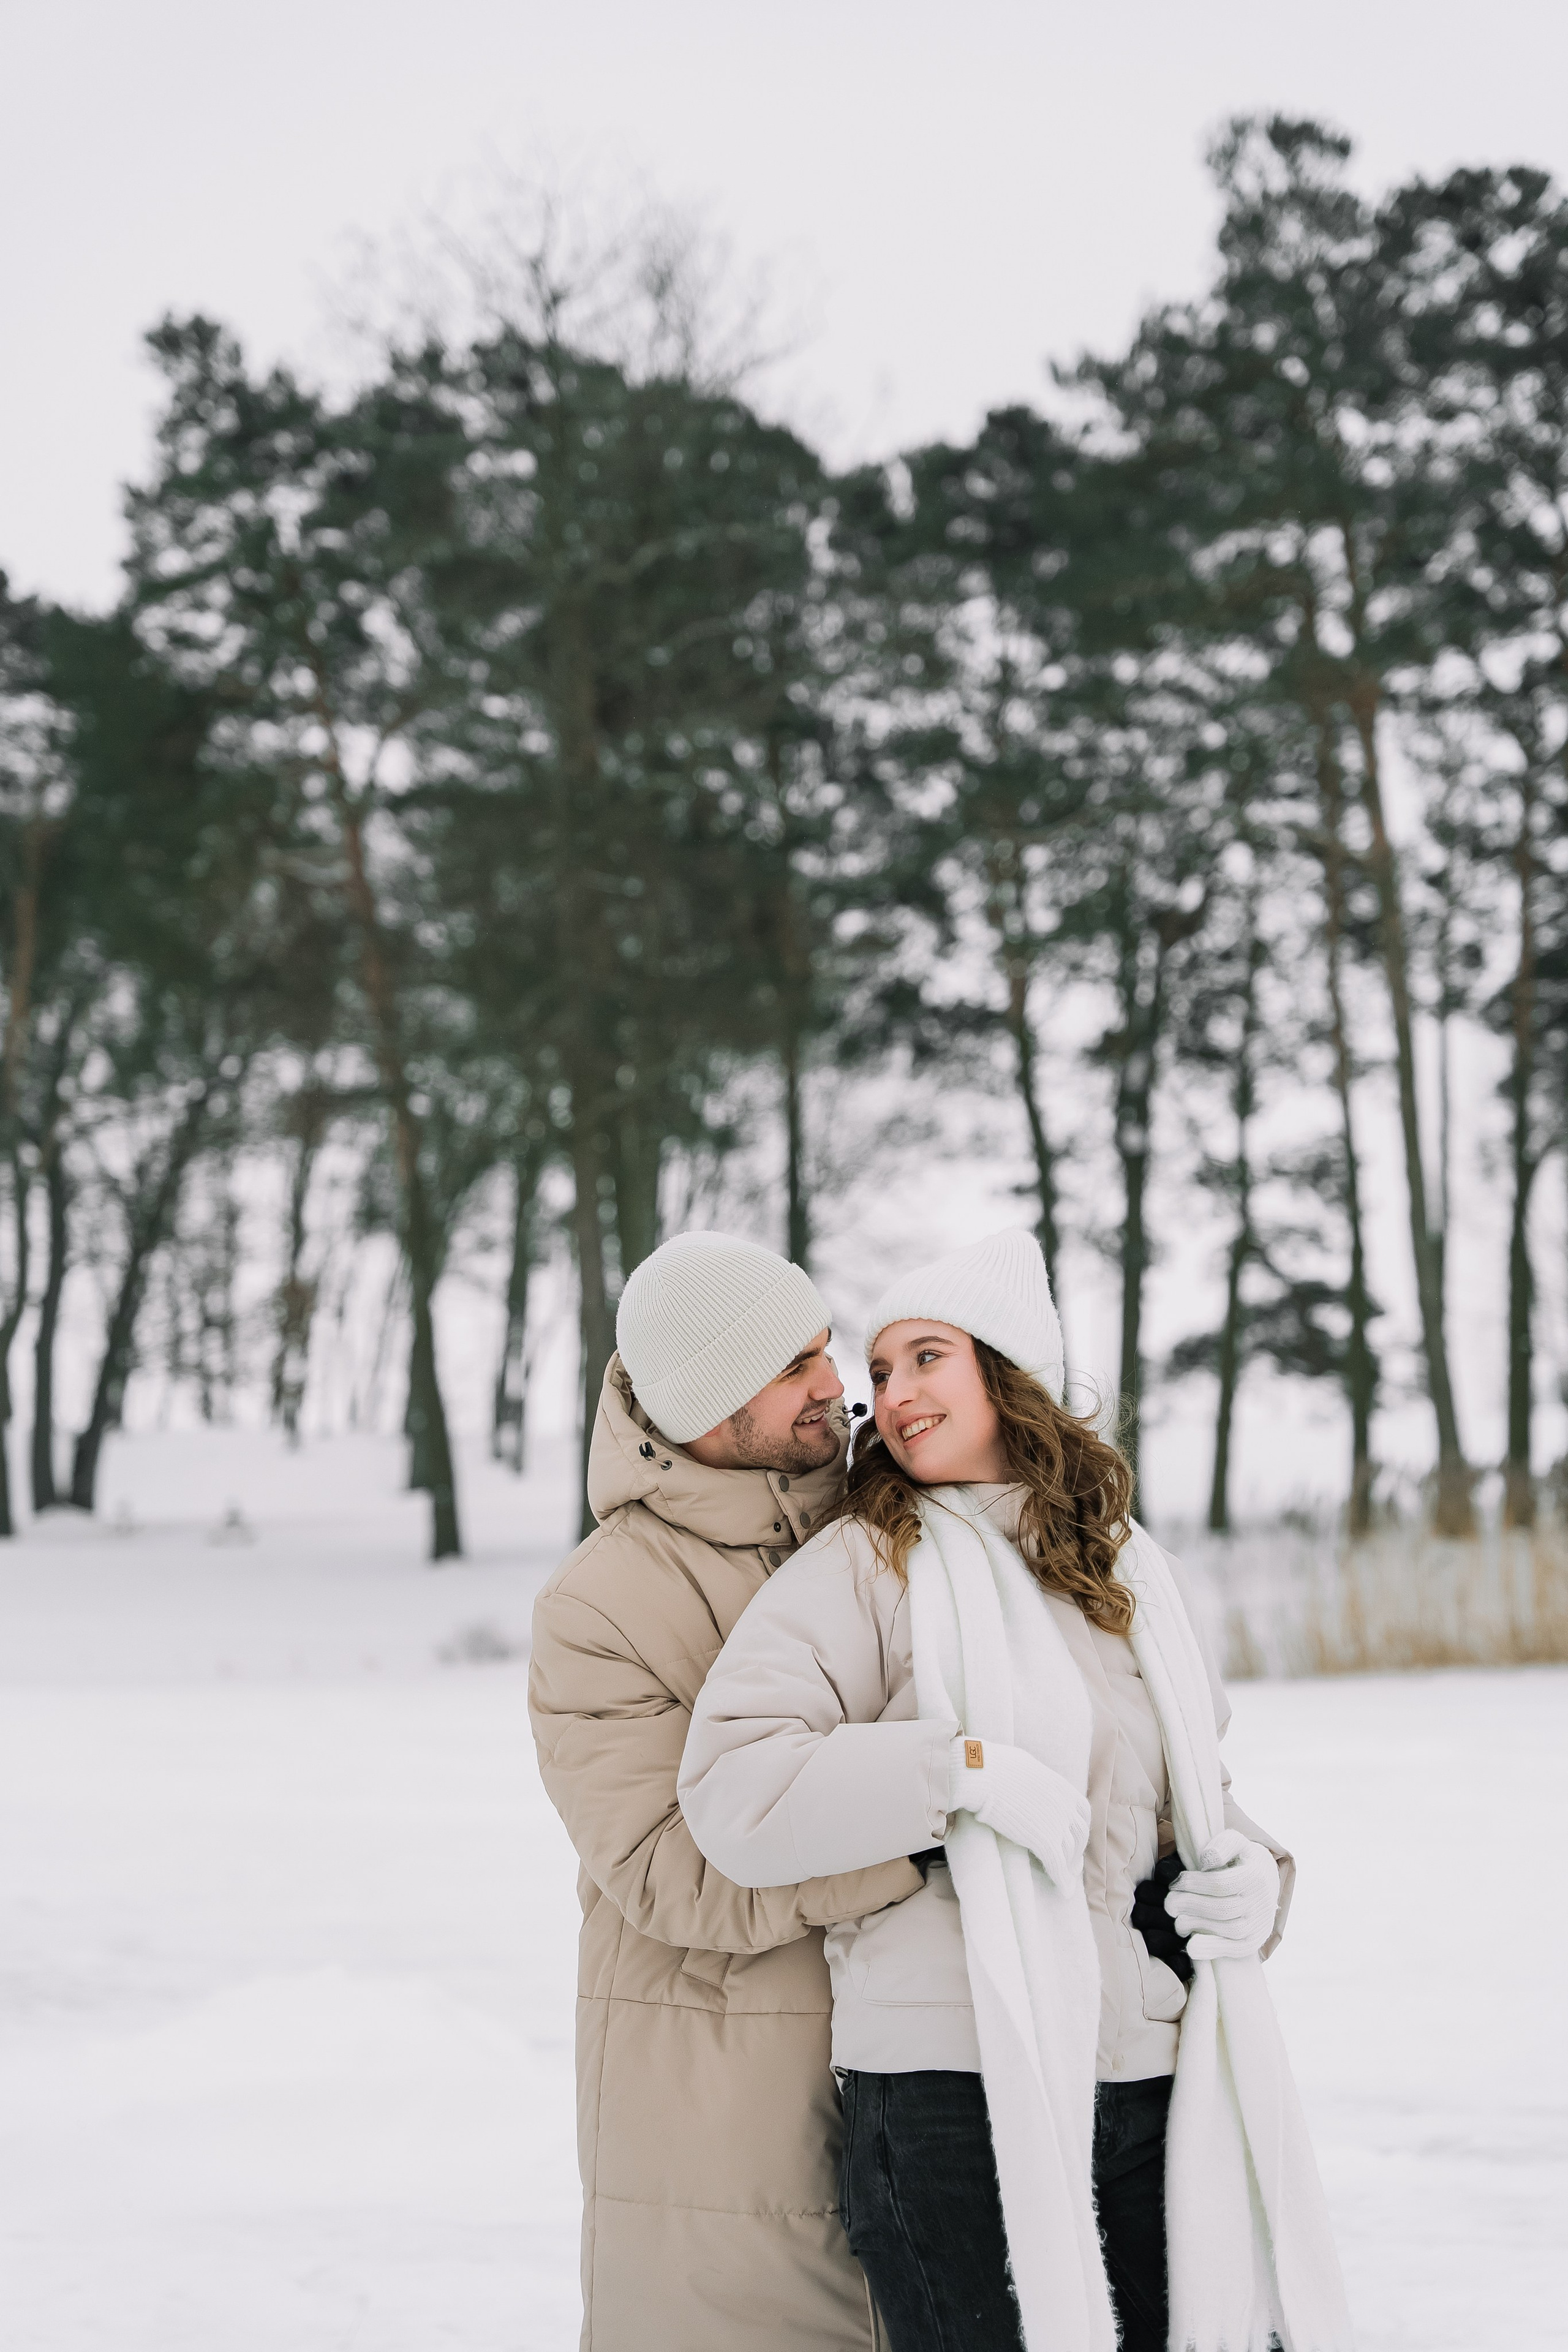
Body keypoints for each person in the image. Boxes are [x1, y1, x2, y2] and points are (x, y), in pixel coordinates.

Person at [679, 1229, 1353, 2352]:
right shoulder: (866, 1564)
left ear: (1006, 1371)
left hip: (1146, 2070)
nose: (890, 1395)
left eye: (925, 1358)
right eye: (880, 1371)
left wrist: (1256, 1880)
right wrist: (958, 1776)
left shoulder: (1124, 1567)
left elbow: (1179, 1794)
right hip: (950, 2085)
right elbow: (734, 1786)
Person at [528, 1230, 924, 2352]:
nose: (836, 1388)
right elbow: (674, 1871)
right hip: (715, 2108)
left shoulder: (892, 1525)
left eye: (826, 1350)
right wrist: (931, 1844)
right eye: (795, 1365)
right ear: (707, 1395)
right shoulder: (601, 1607)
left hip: (911, 2071)